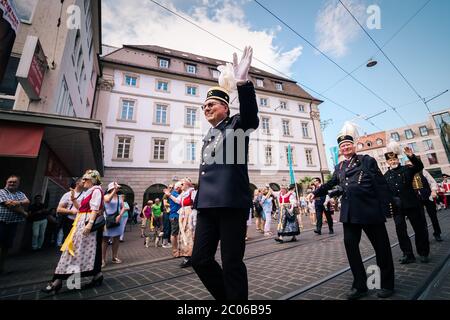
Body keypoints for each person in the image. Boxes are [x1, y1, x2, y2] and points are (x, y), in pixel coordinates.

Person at [191, 46, 259, 300]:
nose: (206, 108)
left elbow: (251, 116)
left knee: (231, 263)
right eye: (204, 105)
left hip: (231, 204)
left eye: (212, 104)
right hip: (208, 206)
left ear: (226, 108)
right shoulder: (207, 136)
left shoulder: (238, 125)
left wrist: (243, 83)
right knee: (200, 259)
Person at [307, 122, 395, 300]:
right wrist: (315, 193)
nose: (345, 148)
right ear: (340, 149)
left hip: (370, 212)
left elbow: (380, 185)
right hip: (349, 214)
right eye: (342, 146)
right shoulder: (339, 167)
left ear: (353, 146)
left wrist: (387, 208)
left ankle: (387, 284)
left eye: (348, 145)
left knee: (382, 248)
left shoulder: (367, 160)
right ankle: (360, 285)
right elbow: (330, 184)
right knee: (351, 249)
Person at [42, 170, 104, 293]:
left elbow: (95, 209)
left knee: (75, 251)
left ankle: (60, 280)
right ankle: (90, 276)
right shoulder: (89, 192)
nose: (83, 181)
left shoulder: (96, 190)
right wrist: (73, 198)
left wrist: (89, 224)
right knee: (75, 251)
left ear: (92, 180)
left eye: (85, 179)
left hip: (85, 223)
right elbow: (81, 208)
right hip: (80, 221)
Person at [384, 141, 430, 264]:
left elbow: (419, 166)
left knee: (419, 229)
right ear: (387, 162)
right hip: (397, 208)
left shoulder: (407, 169)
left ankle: (423, 252)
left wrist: (411, 156)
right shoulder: (386, 175)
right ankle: (408, 254)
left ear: (398, 160)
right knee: (401, 232)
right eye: (390, 161)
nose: (393, 162)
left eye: (394, 160)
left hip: (411, 204)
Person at [0, 175, 29, 274]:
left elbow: (27, 201)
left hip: (13, 224)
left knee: (6, 246)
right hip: (1, 223)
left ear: (18, 184)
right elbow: (8, 205)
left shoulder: (20, 193)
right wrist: (24, 213)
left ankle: (1, 267)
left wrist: (17, 202)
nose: (12, 183)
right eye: (10, 182)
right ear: (6, 182)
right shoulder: (1, 192)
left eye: (14, 182)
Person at [165, 178, 196, 267]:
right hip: (183, 214)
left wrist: (193, 218)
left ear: (188, 184)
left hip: (190, 214)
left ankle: (190, 256)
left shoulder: (192, 192)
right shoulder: (183, 193)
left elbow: (195, 204)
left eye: (182, 184)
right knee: (183, 235)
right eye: (180, 184)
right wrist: (169, 195)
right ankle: (187, 255)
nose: (180, 186)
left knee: (190, 234)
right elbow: (177, 201)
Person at [411, 169, 442, 242]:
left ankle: (437, 233)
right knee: (421, 219)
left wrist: (433, 190)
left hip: (428, 196)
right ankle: (425, 237)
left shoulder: (422, 171)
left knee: (433, 216)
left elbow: (432, 182)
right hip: (416, 198)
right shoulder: (406, 172)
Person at [102, 182, 126, 267]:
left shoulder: (120, 197)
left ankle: (114, 257)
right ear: (111, 188)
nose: (118, 189)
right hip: (107, 220)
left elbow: (124, 207)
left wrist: (120, 215)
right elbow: (107, 200)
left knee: (116, 239)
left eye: (118, 188)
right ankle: (102, 259)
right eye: (116, 188)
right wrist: (114, 190)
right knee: (105, 240)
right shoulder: (105, 196)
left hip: (117, 219)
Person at [57, 178, 85, 243]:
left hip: (81, 222)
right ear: (77, 183)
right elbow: (59, 209)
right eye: (83, 181)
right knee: (68, 242)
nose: (85, 182)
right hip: (69, 221)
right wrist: (71, 212)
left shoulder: (86, 195)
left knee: (77, 242)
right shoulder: (67, 194)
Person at [168, 182, 182, 257]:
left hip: (175, 215)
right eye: (181, 187)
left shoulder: (173, 193)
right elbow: (180, 200)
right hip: (175, 216)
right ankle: (174, 251)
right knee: (174, 234)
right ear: (177, 188)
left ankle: (177, 250)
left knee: (176, 234)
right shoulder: (174, 194)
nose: (182, 189)